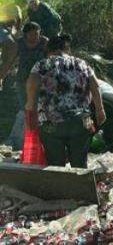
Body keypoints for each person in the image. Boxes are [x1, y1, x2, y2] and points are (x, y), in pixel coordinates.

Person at [25, 34, 105, 168]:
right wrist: (100, 110)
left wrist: (30, 113)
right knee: (80, 165)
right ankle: (79, 187)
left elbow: (31, 86)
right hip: (82, 120)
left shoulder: (41, 65)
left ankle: (60, 187)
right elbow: (95, 86)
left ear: (48, 50)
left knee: (56, 166)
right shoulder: (81, 63)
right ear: (67, 49)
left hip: (51, 123)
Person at [0, 22, 48, 149]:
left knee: (38, 108)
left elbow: (53, 60)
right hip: (22, 81)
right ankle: (23, 139)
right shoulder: (20, 44)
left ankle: (39, 140)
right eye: (32, 34)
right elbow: (10, 61)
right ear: (26, 34)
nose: (35, 36)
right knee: (25, 108)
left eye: (37, 33)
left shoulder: (44, 43)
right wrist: (1, 76)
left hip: (41, 82)